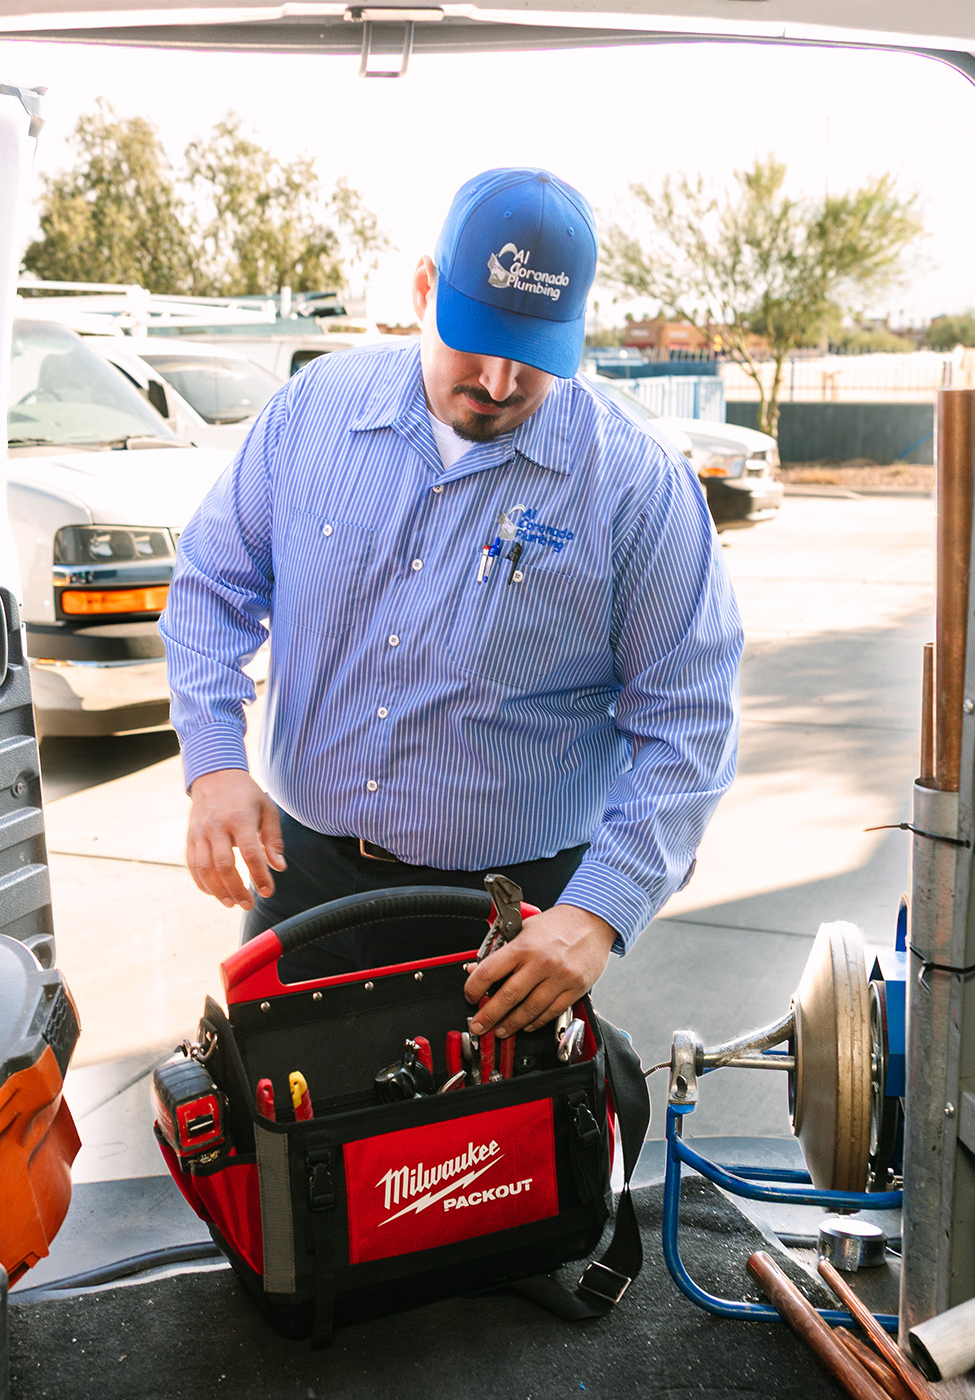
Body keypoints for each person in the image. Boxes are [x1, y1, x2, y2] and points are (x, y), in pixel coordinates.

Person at [159, 166, 742, 1043]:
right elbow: (212, 582)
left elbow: (690, 722)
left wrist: (599, 912)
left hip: (516, 922)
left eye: (534, 354)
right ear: (425, 288)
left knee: (495, 1177)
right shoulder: (313, 412)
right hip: (310, 883)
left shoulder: (634, 488)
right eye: (477, 339)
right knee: (289, 1160)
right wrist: (213, 763)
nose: (501, 382)